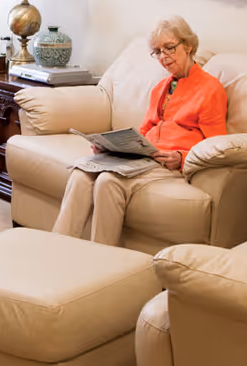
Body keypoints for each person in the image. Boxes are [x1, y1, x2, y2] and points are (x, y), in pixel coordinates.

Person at [52, 16, 228, 246]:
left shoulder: (210, 89)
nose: (164, 57)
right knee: (81, 173)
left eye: (170, 48)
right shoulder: (161, 88)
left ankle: (100, 262)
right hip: (143, 156)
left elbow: (217, 146)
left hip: (169, 162)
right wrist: (110, 147)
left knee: (108, 181)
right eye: (157, 51)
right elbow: (144, 131)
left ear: (188, 46)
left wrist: (182, 158)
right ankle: (56, 249)